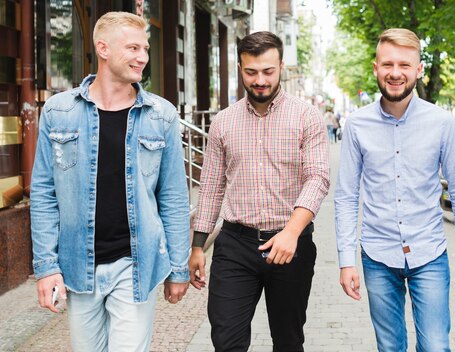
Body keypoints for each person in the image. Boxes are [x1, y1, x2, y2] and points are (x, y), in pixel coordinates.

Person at [30, 11, 190, 351]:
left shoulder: (161, 116)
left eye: (145, 48)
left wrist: (178, 269)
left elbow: (174, 198)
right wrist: (46, 267)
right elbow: (44, 195)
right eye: (133, 48)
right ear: (103, 48)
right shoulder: (59, 111)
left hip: (135, 264)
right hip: (78, 265)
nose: (143, 57)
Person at [334, 28, 455, 351]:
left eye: (404, 65)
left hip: (429, 254)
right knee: (390, 347)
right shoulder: (356, 125)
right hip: (377, 256)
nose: (395, 73)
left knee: (436, 347)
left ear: (419, 69)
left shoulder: (440, 123)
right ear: (375, 68)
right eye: (388, 65)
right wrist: (345, 260)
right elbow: (345, 196)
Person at [189, 31, 330, 352]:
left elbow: (318, 177)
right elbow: (211, 187)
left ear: (281, 66)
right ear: (240, 68)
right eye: (251, 72)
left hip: (291, 244)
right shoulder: (223, 122)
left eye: (268, 71)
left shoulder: (306, 116)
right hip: (235, 245)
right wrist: (198, 246)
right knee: (226, 340)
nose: (260, 80)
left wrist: (292, 232)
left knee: (288, 341)